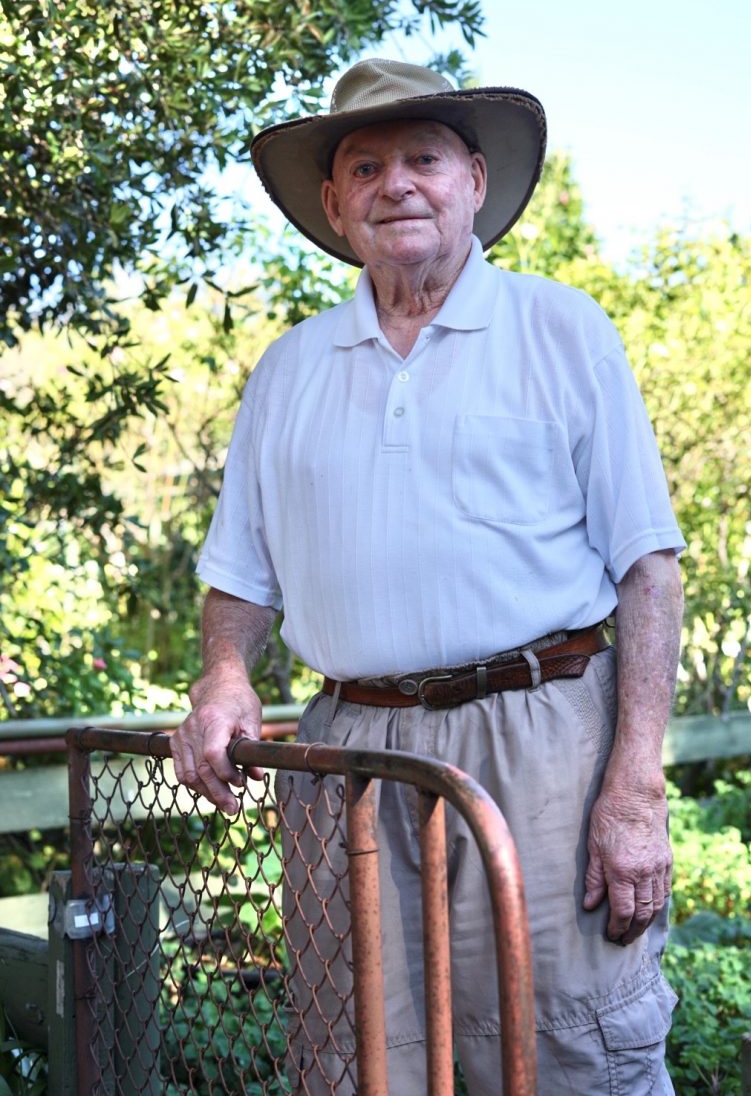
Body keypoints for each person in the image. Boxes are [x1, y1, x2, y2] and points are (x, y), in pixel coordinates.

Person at [171, 57, 685, 1095]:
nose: (395, 183)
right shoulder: (290, 369)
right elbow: (241, 577)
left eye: (422, 158)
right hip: (348, 753)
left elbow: (648, 569)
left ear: (473, 182)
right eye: (366, 166)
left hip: (540, 743)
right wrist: (225, 676)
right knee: (361, 1053)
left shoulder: (561, 329)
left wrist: (633, 785)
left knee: (568, 1048)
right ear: (334, 202)